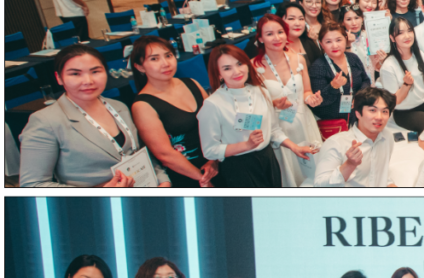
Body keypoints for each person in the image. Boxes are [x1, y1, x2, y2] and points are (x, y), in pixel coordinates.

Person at [19, 45, 171, 187]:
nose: (88, 81)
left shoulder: (119, 107)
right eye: (75, 74)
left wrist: (162, 179)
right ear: (59, 78)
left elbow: (139, 152)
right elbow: (32, 185)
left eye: (95, 72)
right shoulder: (45, 121)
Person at [198, 45, 315, 187]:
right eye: (227, 68)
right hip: (239, 167)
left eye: (239, 64)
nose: (237, 71)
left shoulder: (260, 91)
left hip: (268, 160)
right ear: (218, 74)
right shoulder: (213, 104)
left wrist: (294, 147)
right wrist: (246, 145)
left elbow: (273, 130)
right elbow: (210, 150)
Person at [130, 36, 216, 188]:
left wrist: (214, 160)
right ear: (140, 67)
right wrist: (203, 180)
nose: (165, 63)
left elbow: (215, 123)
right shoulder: (142, 105)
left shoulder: (192, 83)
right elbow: (165, 155)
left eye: (168, 55)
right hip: (188, 176)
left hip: (216, 161)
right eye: (154, 59)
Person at [252, 14, 323, 187]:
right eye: (269, 34)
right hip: (278, 128)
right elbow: (252, 106)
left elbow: (306, 90)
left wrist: (311, 98)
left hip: (304, 122)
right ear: (260, 38)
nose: (277, 38)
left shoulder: (299, 59)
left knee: (314, 170)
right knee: (289, 174)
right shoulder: (253, 66)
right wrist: (273, 104)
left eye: (280, 32)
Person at [314, 87, 396, 187]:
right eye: (372, 110)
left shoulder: (387, 137)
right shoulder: (336, 143)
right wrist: (349, 165)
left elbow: (380, 173)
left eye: (385, 112)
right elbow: (319, 186)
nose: (379, 117)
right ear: (357, 113)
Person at [379, 17, 424, 132]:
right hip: (405, 112)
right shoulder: (388, 66)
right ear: (392, 38)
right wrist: (406, 85)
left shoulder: (420, 54)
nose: (407, 36)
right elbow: (394, 102)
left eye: (409, 31)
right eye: (401, 33)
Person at [310, 21, 372, 122]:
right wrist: (333, 86)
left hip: (357, 117)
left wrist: (359, 96)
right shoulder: (318, 66)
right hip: (332, 122)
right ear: (321, 44)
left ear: (345, 39)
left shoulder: (353, 58)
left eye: (338, 40)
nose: (334, 46)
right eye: (328, 42)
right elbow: (319, 102)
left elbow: (365, 80)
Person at [280, 2, 324, 68]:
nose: (297, 23)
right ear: (279, 21)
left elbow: (322, 68)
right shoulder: (276, 46)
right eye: (291, 19)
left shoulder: (309, 43)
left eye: (301, 19)